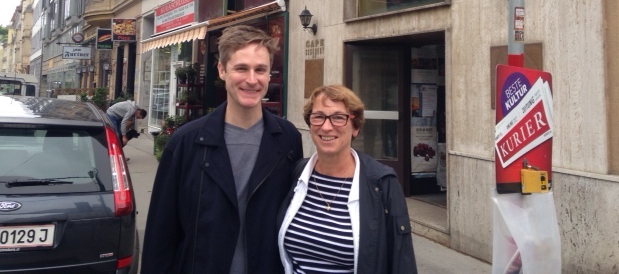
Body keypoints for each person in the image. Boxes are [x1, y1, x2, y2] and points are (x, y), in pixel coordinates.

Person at [141, 25, 303, 274]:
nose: (252, 79)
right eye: (241, 68)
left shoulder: (287, 138)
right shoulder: (186, 143)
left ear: (270, 74)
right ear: (222, 70)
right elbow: (161, 233)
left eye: (260, 69)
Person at [278, 84, 418, 274]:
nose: (327, 127)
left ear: (355, 127)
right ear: (310, 125)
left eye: (338, 118)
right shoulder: (297, 174)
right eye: (318, 117)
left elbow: (402, 261)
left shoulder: (382, 183)